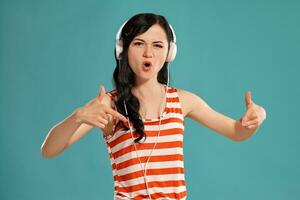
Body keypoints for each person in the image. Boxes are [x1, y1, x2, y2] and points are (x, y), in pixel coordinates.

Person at [41, 13, 267, 200]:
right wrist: (78, 116)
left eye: (157, 45)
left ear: (169, 53)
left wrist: (254, 119)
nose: (148, 53)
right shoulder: (109, 105)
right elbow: (49, 150)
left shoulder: (183, 101)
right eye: (139, 44)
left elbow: (237, 132)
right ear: (124, 50)